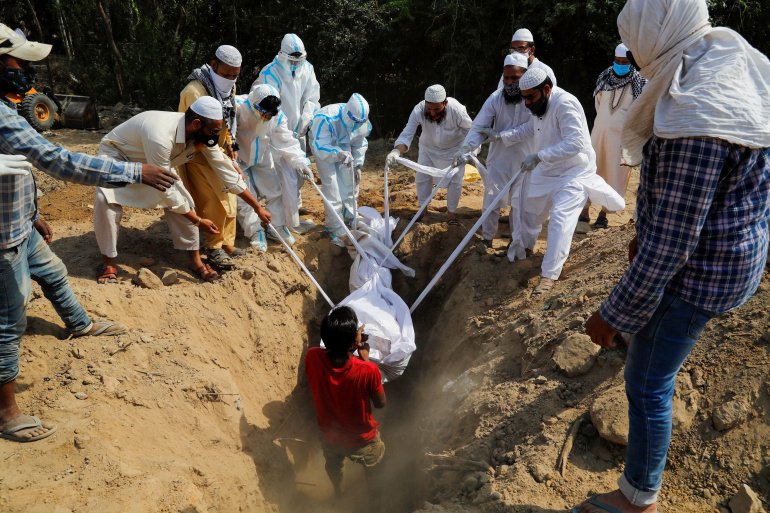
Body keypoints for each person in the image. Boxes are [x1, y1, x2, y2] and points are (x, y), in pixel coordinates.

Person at [580, 0, 770, 512]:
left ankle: (638, 498)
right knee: (652, 354)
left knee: (645, 381)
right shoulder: (726, 61)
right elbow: (697, 198)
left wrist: (612, 315)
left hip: (704, 272)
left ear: (655, 32)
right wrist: (647, 229)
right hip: (734, 252)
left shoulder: (698, 108)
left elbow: (672, 247)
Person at [0, 23, 179, 443]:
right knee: (9, 320)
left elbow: (17, 169)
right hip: (2, 237)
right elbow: (57, 160)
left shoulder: (7, 110)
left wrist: (32, 211)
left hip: (18, 221)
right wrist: (136, 171)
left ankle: (79, 324)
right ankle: (6, 411)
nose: (27, 70)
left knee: (55, 271)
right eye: (19, 61)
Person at [489, 67, 624, 295]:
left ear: (547, 89)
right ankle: (525, 248)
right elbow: (529, 129)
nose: (527, 104)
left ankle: (549, 275)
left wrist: (539, 156)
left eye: (530, 98)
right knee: (523, 204)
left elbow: (575, 143)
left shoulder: (565, 104)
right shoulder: (537, 105)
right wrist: (500, 137)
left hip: (573, 173)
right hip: (547, 170)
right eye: (524, 99)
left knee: (560, 220)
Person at [93, 97, 236, 283]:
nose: (215, 135)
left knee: (185, 200)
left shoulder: (195, 133)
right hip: (119, 157)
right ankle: (109, 262)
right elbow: (165, 189)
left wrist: (256, 207)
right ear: (196, 123)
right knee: (106, 200)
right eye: (213, 130)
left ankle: (195, 261)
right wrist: (198, 220)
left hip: (153, 161)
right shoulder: (160, 134)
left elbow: (223, 166)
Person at [305, 306, 386, 502]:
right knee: (375, 469)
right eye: (357, 331)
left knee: (333, 466)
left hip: (331, 436)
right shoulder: (369, 371)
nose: (360, 333)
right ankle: (376, 505)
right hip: (362, 439)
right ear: (354, 342)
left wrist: (351, 349)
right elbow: (381, 403)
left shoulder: (312, 356)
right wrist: (365, 359)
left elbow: (334, 368)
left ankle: (338, 494)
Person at [179, 45, 245, 270]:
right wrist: (225, 163)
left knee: (230, 198)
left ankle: (227, 243)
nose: (230, 80)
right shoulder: (194, 91)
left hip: (219, 149)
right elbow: (191, 130)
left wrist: (230, 146)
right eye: (226, 75)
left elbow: (228, 119)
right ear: (213, 65)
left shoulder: (230, 89)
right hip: (197, 152)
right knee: (213, 200)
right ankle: (214, 248)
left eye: (234, 76)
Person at [458, 53, 533, 245]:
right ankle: (488, 239)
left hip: (526, 160)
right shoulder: (496, 98)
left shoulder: (533, 98)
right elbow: (478, 126)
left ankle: (516, 243)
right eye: (506, 77)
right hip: (499, 159)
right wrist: (466, 148)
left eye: (515, 78)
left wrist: (500, 136)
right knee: (491, 200)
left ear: (524, 76)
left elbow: (531, 127)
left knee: (519, 204)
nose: (510, 82)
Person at [234, 84, 313, 251]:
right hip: (238, 158)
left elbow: (287, 141)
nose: (265, 116)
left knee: (274, 190)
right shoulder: (237, 108)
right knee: (245, 197)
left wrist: (301, 162)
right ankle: (255, 231)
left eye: (269, 114)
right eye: (262, 112)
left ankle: (276, 226)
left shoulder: (277, 116)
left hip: (262, 156)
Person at [255, 33, 320, 234]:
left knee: (298, 175)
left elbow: (312, 96)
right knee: (285, 178)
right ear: (282, 55)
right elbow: (271, 105)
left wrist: (306, 118)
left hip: (298, 130)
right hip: (276, 132)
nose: (294, 65)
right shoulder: (270, 73)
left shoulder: (307, 68)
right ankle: (289, 223)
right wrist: (283, 126)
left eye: (297, 61)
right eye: (291, 60)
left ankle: (295, 208)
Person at [580, 43, 647, 229]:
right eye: (617, 61)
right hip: (599, 134)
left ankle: (604, 214)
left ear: (631, 61)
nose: (620, 64)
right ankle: (584, 210)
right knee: (592, 169)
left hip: (622, 139)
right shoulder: (605, 77)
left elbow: (640, 112)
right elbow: (598, 104)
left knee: (615, 175)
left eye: (624, 61)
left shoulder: (640, 82)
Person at [388, 84, 472, 224]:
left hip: (454, 150)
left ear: (445, 103)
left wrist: (467, 151)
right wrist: (396, 151)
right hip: (428, 148)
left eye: (437, 109)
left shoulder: (457, 110)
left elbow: (472, 131)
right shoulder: (419, 109)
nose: (432, 113)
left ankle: (451, 215)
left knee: (455, 181)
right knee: (422, 177)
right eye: (429, 109)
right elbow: (407, 133)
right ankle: (423, 210)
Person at [309, 93, 372, 247]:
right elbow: (319, 145)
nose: (357, 126)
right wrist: (337, 153)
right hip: (325, 149)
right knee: (332, 186)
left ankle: (350, 215)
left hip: (345, 148)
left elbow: (359, 143)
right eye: (355, 122)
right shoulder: (325, 118)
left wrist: (358, 163)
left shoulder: (362, 122)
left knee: (350, 181)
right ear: (348, 115)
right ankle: (335, 227)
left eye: (360, 123)